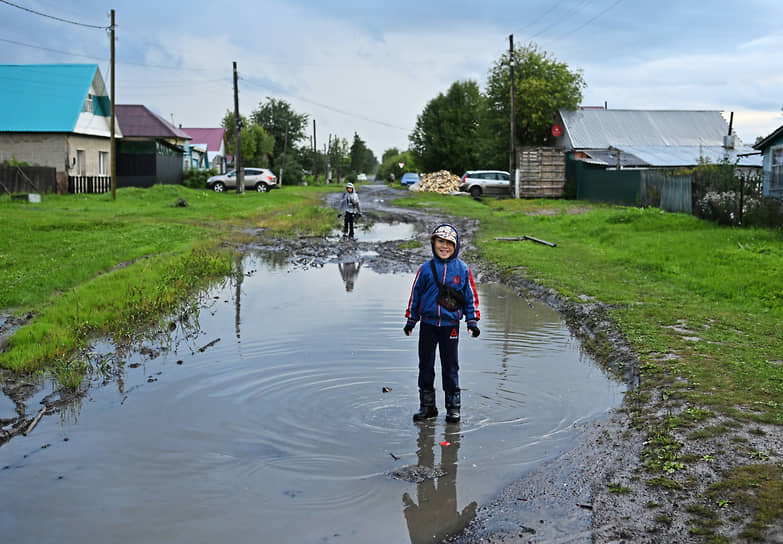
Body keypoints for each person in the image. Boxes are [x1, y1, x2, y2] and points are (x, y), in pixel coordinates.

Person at [404, 224, 480, 423]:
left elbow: (470, 297)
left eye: (449, 243)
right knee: (425, 365)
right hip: (428, 325)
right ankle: (427, 407)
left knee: (450, 366)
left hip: (450, 326)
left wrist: (472, 321)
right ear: (433, 243)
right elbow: (416, 295)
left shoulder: (462, 270)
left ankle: (453, 408)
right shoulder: (425, 269)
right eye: (440, 242)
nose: (444, 247)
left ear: (456, 246)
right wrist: (411, 320)